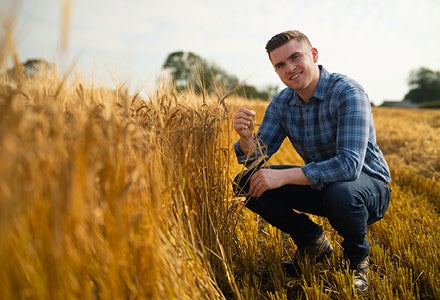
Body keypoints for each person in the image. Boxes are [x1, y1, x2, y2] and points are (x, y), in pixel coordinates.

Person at [232, 30, 391, 293]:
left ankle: (357, 259)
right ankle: (312, 241)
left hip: (367, 187)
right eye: (280, 65)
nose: (290, 69)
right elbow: (256, 157)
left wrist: (283, 176)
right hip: (324, 186)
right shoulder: (282, 102)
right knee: (247, 182)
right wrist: (247, 138)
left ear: (313, 55)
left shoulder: (348, 92)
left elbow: (349, 166)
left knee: (341, 193)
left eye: (296, 57)